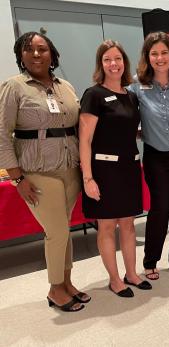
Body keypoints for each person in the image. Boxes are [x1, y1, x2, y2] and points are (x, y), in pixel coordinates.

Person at [0, 32, 88, 312]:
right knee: (57, 231)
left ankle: (67, 282)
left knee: (64, 228)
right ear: (20, 55)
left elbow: (80, 124)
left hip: (69, 168)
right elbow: (2, 134)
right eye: (29, 50)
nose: (36, 54)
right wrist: (17, 177)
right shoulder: (14, 87)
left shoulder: (66, 86)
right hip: (37, 171)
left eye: (42, 49)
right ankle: (54, 288)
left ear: (52, 54)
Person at [79, 40, 151, 298]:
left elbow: (130, 130)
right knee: (107, 226)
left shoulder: (131, 95)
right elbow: (85, 140)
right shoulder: (94, 95)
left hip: (129, 168)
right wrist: (88, 178)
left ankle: (131, 273)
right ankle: (114, 279)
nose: (113, 64)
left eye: (117, 59)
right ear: (101, 64)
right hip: (104, 171)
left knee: (129, 225)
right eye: (107, 59)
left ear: (124, 63)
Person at [128, 32, 169, 281]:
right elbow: (123, 112)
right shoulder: (137, 84)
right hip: (156, 157)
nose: (159, 58)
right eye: (154, 53)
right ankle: (150, 259)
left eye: (164, 53)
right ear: (147, 57)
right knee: (160, 208)